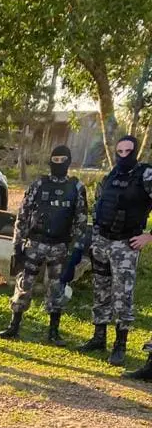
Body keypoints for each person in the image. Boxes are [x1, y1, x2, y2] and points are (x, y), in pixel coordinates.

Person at [0, 145, 87, 345]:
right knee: (23, 284)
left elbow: (81, 220)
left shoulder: (77, 187)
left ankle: (53, 332)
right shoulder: (38, 184)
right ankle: (14, 326)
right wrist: (17, 244)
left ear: (69, 161)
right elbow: (23, 214)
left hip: (60, 246)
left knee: (57, 288)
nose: (58, 164)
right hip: (34, 243)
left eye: (63, 160)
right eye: (55, 160)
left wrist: (76, 250)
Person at [80, 134, 152, 366]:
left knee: (123, 295)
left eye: (127, 151)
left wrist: (148, 236)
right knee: (101, 290)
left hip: (126, 245)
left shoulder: (146, 175)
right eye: (119, 152)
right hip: (102, 241)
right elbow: (100, 204)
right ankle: (98, 337)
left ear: (136, 151)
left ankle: (120, 345)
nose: (123, 156)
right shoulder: (112, 174)